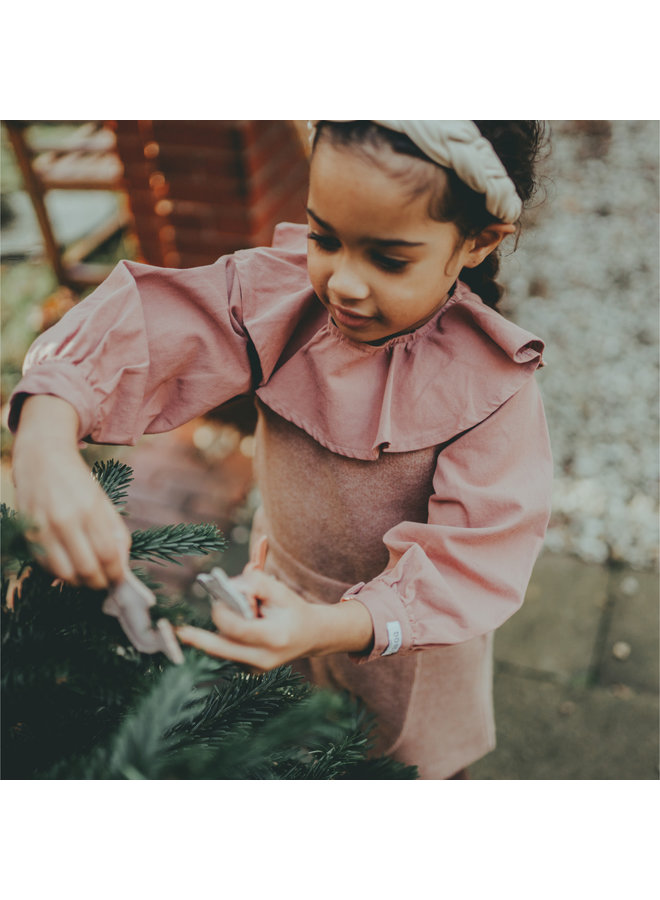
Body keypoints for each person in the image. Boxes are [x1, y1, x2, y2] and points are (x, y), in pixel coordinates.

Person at [9, 120, 553, 779]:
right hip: (274, 606)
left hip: (406, 654)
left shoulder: (492, 388)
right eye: (325, 237)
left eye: (387, 258)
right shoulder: (275, 296)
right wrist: (44, 434)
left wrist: (327, 625)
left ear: (477, 241)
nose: (344, 283)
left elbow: (472, 561)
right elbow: (149, 323)